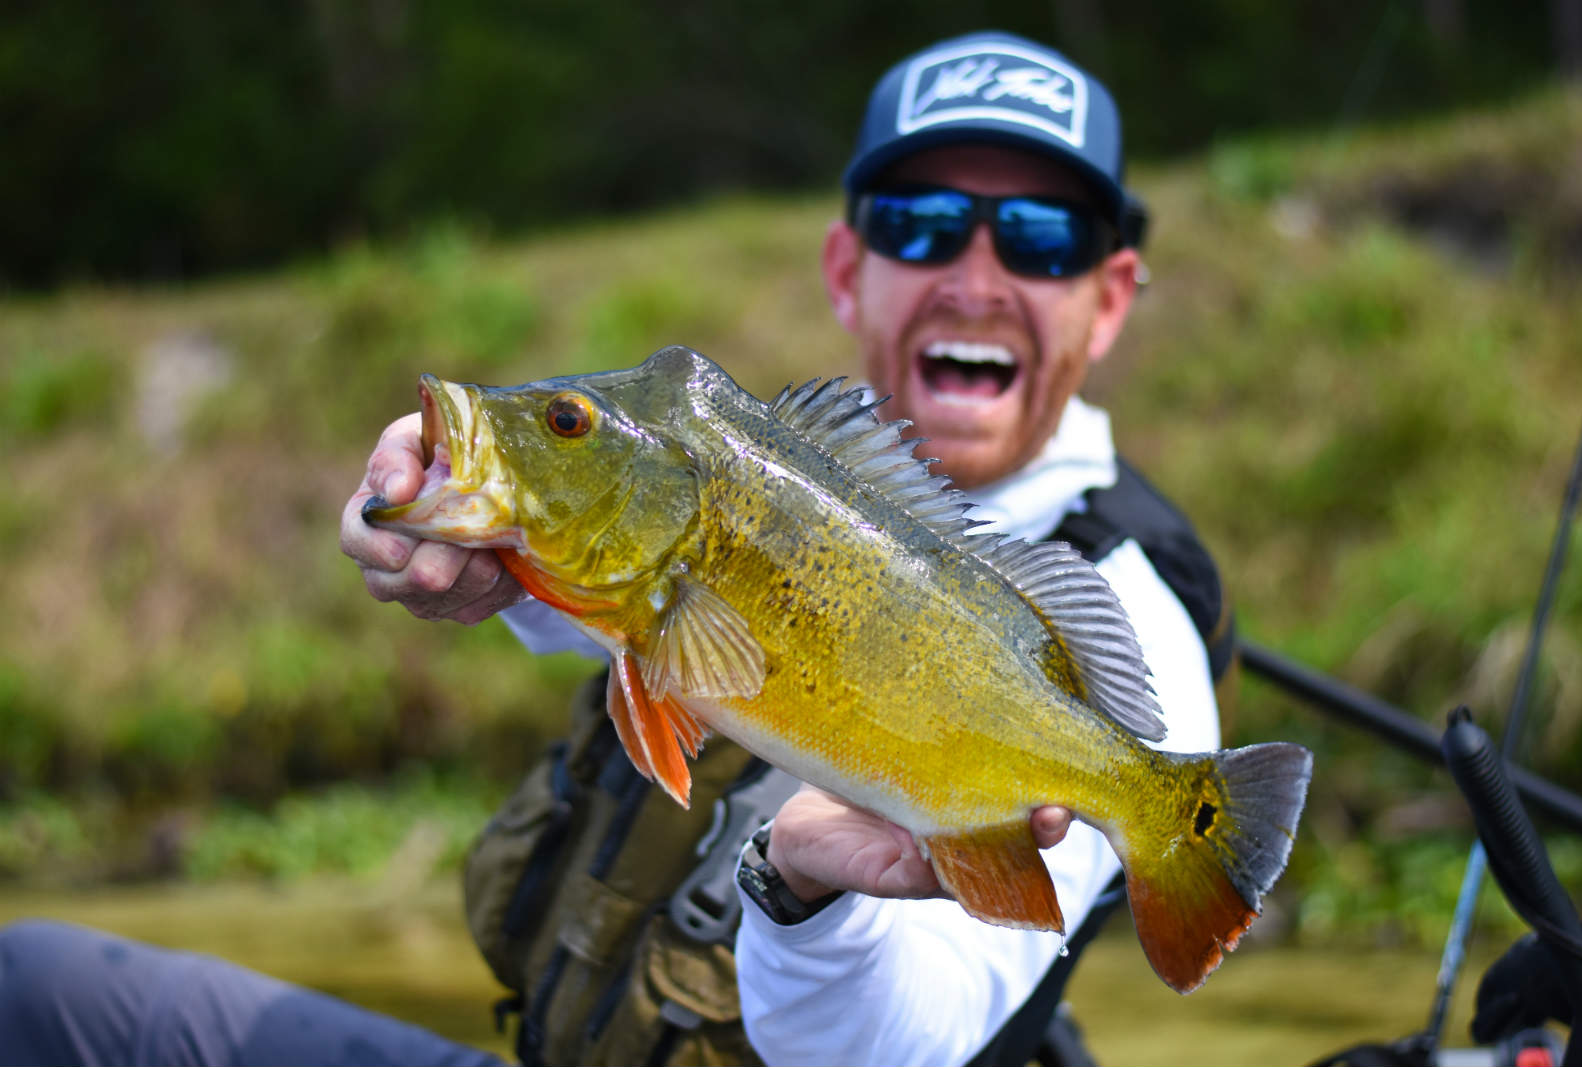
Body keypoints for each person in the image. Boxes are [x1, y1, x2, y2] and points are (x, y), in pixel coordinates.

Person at [0, 29, 1222, 1067]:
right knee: (36, 983)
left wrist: (801, 894)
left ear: (1110, 296)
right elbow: (614, 590)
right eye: (921, 222)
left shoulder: (1132, 617)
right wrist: (449, 516)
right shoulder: (721, 496)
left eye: (1043, 239)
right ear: (849, 270)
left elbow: (910, 1039)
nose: (975, 273)